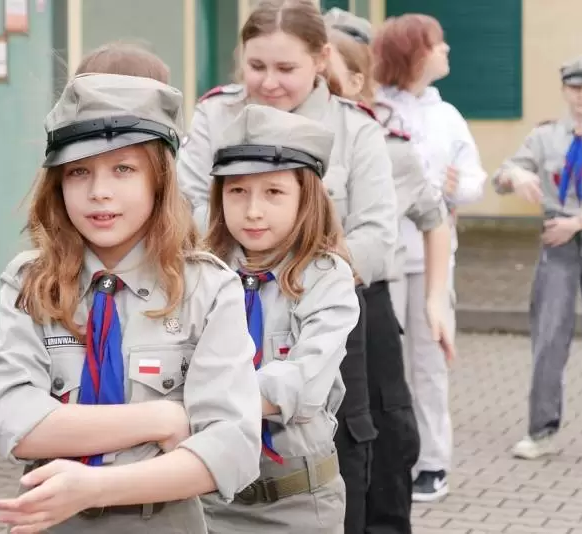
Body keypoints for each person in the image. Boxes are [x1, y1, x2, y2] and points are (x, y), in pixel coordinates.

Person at [0, 73, 263, 534]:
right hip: (51, 521)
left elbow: (232, 450)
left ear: (159, 180)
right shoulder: (31, 283)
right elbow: (12, 419)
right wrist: (161, 417)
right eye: (78, 172)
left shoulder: (207, 290)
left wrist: (94, 487)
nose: (98, 192)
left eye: (123, 169)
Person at [176, 2, 397, 530]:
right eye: (257, 67)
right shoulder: (215, 114)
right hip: (223, 282)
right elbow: (184, 205)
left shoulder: (354, 127)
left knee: (352, 437)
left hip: (319, 299)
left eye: (285, 68)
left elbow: (377, 236)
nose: (269, 82)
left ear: (321, 60)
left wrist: (299, 261)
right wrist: (234, 252)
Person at [200, 103, 357, 533]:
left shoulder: (327, 277)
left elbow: (301, 382)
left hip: (296, 501)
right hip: (206, 499)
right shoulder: (200, 274)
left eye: (273, 192)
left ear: (306, 198)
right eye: (237, 191)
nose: (253, 210)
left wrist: (197, 405)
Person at [326, 9, 454, 532]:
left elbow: (434, 217)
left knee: (388, 433)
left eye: (326, 79)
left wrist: (434, 300)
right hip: (288, 306)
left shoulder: (388, 147)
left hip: (368, 306)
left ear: (358, 82)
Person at [372, 13, 487, 502]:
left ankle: (432, 461)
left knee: (430, 362)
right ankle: (390, 456)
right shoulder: (375, 110)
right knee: (386, 364)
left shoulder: (448, 116)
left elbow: (475, 178)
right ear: (415, 53)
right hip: (385, 259)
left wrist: (460, 188)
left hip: (434, 260)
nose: (446, 51)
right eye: (438, 44)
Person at [492, 55, 582, 464]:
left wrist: (576, 223)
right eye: (575, 88)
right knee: (549, 338)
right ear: (565, 90)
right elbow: (501, 177)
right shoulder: (543, 137)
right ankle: (541, 431)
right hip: (557, 246)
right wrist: (515, 175)